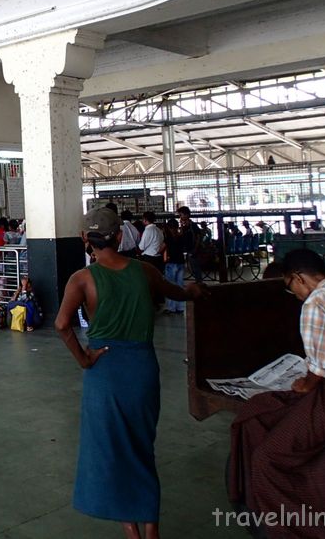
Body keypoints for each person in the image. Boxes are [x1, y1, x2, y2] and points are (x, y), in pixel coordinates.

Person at [54, 206, 205, 539]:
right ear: (120, 237)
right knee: (141, 446)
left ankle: (132, 532)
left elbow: (62, 324)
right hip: (142, 368)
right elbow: (178, 293)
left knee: (112, 448)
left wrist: (83, 359)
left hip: (104, 371)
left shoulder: (82, 279)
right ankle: (151, 527)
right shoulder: (144, 271)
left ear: (84, 239)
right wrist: (193, 291)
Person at [228, 249, 325, 538]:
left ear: (298, 278)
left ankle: (300, 530)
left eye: (289, 286)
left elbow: (321, 368)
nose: (292, 293)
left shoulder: (315, 302)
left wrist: (303, 384)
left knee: (268, 458)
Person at [161, 218, 187, 314]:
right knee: (180, 285)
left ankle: (171, 308)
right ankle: (180, 308)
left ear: (168, 227)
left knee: (170, 285)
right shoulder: (181, 237)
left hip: (171, 263)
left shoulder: (168, 239)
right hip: (180, 262)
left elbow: (161, 249)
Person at [176, 206, 205, 282]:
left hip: (193, 249)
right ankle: (198, 282)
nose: (180, 217)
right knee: (192, 267)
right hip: (189, 249)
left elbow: (198, 237)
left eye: (181, 215)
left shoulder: (193, 225)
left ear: (186, 215)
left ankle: (199, 283)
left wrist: (195, 248)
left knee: (195, 267)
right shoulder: (185, 226)